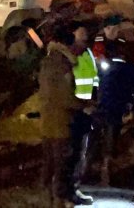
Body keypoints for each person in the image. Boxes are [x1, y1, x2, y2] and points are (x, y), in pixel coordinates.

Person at [39, 25, 89, 208]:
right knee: (61, 164)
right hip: (61, 121)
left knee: (51, 162)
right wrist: (85, 106)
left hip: (49, 120)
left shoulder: (48, 60)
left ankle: (49, 198)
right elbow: (64, 95)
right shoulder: (61, 63)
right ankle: (57, 201)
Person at [93, 40, 134, 186]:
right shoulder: (129, 68)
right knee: (111, 138)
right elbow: (133, 87)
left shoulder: (103, 67)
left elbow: (98, 85)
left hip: (102, 107)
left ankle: (92, 168)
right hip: (118, 109)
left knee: (96, 137)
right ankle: (106, 168)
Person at [68, 22, 97, 203]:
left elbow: (94, 79)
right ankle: (67, 190)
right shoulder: (68, 55)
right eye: (81, 31)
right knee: (70, 153)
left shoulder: (88, 53)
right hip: (72, 110)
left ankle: (74, 188)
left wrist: (94, 102)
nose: (85, 34)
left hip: (86, 110)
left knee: (81, 152)